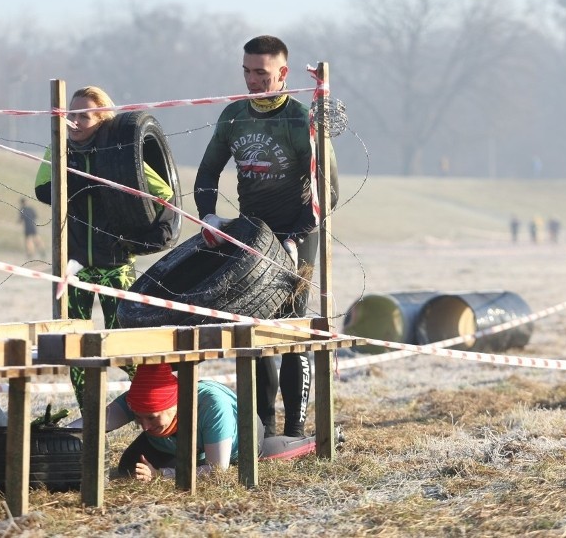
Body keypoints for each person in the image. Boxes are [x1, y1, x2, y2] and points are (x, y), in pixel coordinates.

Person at [193, 35, 339, 439]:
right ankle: (264, 427)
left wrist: (293, 237)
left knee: (291, 329)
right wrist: (209, 215)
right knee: (255, 329)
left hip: (298, 234)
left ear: (282, 73)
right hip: (252, 237)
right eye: (246, 71)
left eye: (261, 72)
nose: (252, 80)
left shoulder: (298, 119)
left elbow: (329, 193)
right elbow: (207, 173)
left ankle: (294, 427)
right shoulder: (234, 116)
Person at [34, 86, 175, 410]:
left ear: (102, 119)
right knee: (75, 348)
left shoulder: (119, 150)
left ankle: (152, 409)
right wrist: (81, 182)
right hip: (73, 266)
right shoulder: (58, 147)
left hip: (117, 263)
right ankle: (90, 417)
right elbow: (43, 189)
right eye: (70, 115)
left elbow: (161, 190)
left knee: (125, 347)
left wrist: (153, 231)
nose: (73, 122)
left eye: (83, 116)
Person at [83, 363, 316, 482]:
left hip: (240, 436)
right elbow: (92, 422)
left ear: (175, 405)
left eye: (152, 417)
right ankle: (196, 456)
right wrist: (57, 433)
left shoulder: (213, 406)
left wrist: (161, 474)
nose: (143, 426)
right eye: (138, 417)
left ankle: (316, 441)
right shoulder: (143, 400)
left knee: (253, 455)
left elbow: (217, 471)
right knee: (128, 468)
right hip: (186, 442)